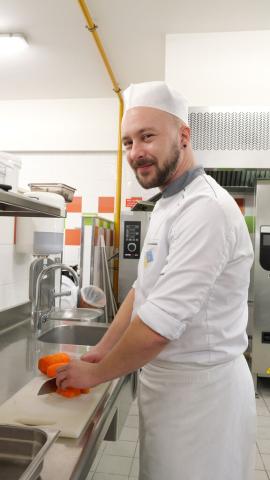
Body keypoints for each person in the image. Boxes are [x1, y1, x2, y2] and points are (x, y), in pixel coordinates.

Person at [56, 81, 256, 480]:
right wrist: (103, 349)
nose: (135, 152)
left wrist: (96, 373)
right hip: (166, 388)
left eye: (147, 137)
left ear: (183, 136)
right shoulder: (167, 204)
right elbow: (143, 290)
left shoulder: (206, 209)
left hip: (202, 400)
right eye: (128, 142)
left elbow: (160, 324)